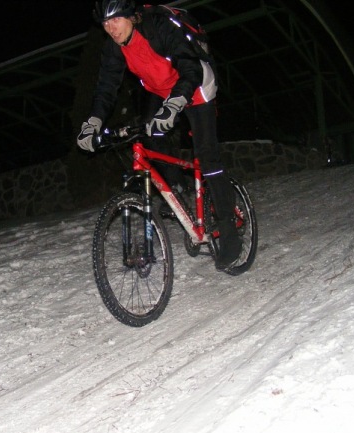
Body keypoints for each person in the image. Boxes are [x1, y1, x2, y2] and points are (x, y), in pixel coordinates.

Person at [77, 0, 241, 270]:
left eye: (115, 20)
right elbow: (106, 89)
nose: (111, 28)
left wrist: (175, 104)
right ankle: (176, 186)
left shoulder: (158, 28)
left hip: (195, 86)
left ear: (130, 16)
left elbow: (189, 66)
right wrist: (93, 122)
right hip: (161, 90)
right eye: (105, 23)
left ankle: (229, 231)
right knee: (147, 134)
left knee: (207, 157)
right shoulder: (114, 48)